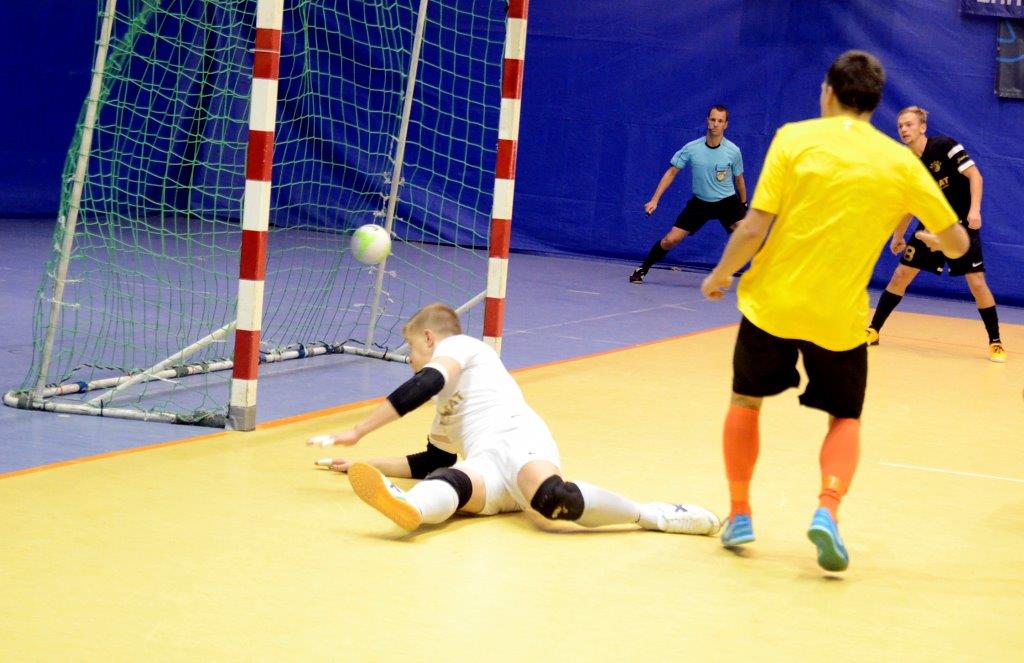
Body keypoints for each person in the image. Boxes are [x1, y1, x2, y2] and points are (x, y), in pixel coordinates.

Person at [700, 51, 969, 572]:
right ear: (875, 102)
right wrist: (938, 239)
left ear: (828, 92)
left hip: (773, 304)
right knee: (844, 416)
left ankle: (740, 512)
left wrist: (721, 275)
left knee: (746, 401)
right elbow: (957, 242)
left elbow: (753, 227)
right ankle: (827, 509)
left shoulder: (794, 139)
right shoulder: (900, 163)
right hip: (839, 317)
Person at [307, 302, 720, 536]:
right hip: (485, 466)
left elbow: (427, 380)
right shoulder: (445, 412)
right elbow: (431, 460)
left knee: (552, 501)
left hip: (518, 438)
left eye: (412, 349)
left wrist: (359, 430)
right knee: (448, 479)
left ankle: (651, 514)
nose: (411, 359)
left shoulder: (461, 346)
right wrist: (363, 465)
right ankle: (409, 507)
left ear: (431, 338)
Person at [866, 106, 1006, 362]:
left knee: (977, 283)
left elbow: (975, 175)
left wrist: (975, 210)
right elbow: (908, 205)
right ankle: (873, 330)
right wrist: (898, 235)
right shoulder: (907, 165)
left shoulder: (944, 146)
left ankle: (995, 341)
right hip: (931, 226)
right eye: (900, 126)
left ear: (922, 127)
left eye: (909, 124)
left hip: (960, 226)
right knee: (900, 275)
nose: (903, 129)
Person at [630, 105, 748, 284]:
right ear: (707, 121)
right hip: (700, 204)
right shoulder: (692, 148)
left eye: (720, 121)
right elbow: (671, 172)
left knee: (750, 236)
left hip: (727, 203)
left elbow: (739, 180)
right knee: (670, 240)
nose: (715, 124)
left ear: (726, 125)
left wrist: (743, 204)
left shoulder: (733, 151)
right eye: (713, 119)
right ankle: (642, 269)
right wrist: (654, 200)